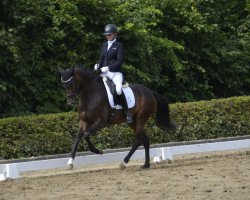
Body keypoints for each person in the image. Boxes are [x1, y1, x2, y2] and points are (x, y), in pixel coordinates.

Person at [94, 24, 132, 123]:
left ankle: (127, 112)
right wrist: (98, 65)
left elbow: (119, 61)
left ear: (114, 34)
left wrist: (107, 67)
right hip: (104, 73)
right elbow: (101, 58)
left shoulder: (119, 45)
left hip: (115, 73)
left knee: (118, 90)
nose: (108, 36)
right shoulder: (104, 45)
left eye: (109, 35)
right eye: (106, 35)